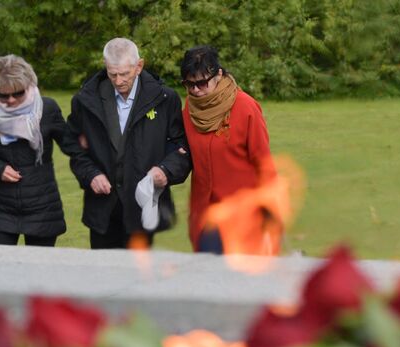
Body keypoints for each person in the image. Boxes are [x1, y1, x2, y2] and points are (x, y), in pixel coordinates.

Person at [65, 37, 191, 249]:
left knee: (139, 274)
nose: (118, 80)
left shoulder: (165, 99)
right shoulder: (85, 100)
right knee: (103, 274)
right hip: (103, 210)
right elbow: (74, 145)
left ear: (139, 66)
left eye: (124, 74)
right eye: (112, 74)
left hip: (143, 207)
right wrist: (91, 174)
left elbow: (181, 146)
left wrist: (165, 170)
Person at [180, 45, 276, 252]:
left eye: (202, 83)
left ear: (219, 74)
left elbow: (264, 163)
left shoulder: (246, 107)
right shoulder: (190, 109)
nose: (195, 90)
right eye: (189, 84)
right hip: (207, 217)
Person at [0, 54, 68, 246]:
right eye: (3, 95)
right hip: (0, 206)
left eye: (18, 93)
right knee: (2, 270)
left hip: (42, 205)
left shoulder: (47, 109)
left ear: (29, 86)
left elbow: (71, 144)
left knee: (39, 271)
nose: (11, 100)